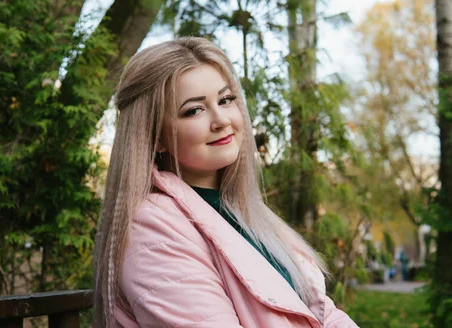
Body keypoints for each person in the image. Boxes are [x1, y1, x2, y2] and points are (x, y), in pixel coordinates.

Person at [94, 37, 357, 328]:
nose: (221, 120)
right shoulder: (151, 227)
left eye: (225, 100)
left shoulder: (239, 210)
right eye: (194, 110)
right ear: (156, 137)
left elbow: (322, 314)